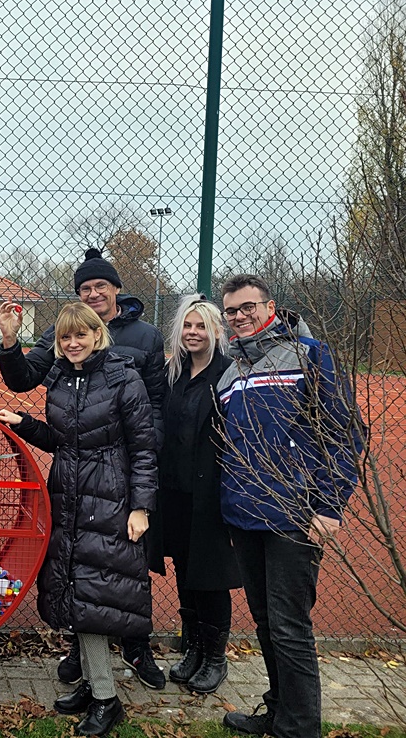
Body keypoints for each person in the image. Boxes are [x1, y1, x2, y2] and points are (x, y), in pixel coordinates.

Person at [0, 247, 167, 690]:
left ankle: (131, 654)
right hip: (73, 482)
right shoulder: (61, 356)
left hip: (116, 478)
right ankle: (89, 667)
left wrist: (140, 494)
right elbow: (26, 386)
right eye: (84, 288)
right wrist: (10, 344)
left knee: (118, 574)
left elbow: (150, 419)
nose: (93, 294)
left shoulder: (142, 341)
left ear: (115, 292)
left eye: (100, 287)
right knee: (80, 571)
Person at [216, 275, 361, 738]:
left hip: (294, 516)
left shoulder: (309, 355)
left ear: (270, 305)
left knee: (290, 626)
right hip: (245, 514)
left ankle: (299, 729)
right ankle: (279, 712)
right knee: (264, 622)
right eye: (231, 311)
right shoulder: (230, 370)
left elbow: (343, 434)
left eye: (247, 307)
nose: (239, 317)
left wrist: (329, 505)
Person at [159, 294, 240, 694]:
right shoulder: (174, 372)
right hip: (174, 491)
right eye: (187, 326)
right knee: (185, 571)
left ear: (216, 331)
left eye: (201, 326)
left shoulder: (228, 373)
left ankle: (215, 657)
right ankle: (192, 648)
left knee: (210, 577)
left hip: (211, 492)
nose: (193, 333)